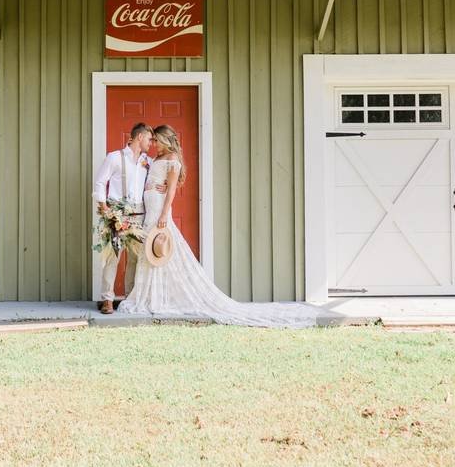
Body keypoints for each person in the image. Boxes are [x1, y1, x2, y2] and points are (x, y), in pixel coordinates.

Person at [118, 125, 321, 327]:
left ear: (165, 140)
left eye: (157, 140)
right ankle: (150, 296)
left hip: (159, 211)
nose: (154, 144)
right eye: (152, 141)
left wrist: (164, 213)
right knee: (148, 251)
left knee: (160, 250)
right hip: (149, 209)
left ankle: (158, 298)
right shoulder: (155, 159)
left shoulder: (172, 160)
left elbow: (171, 190)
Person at [92, 122, 153, 314]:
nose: (151, 143)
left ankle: (130, 298)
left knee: (135, 258)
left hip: (139, 214)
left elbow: (154, 182)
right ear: (140, 137)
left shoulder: (147, 162)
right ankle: (107, 300)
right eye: (149, 139)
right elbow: (100, 183)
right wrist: (105, 208)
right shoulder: (115, 157)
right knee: (113, 257)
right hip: (117, 212)